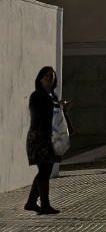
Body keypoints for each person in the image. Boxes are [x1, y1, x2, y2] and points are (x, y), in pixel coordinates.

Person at [25, 66, 71, 215]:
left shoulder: (53, 96)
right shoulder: (36, 96)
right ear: (40, 79)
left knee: (46, 169)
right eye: (46, 76)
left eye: (52, 76)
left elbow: (56, 115)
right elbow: (39, 115)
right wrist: (56, 107)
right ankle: (44, 204)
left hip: (51, 138)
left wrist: (62, 108)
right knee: (44, 169)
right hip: (38, 137)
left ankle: (32, 202)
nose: (49, 78)